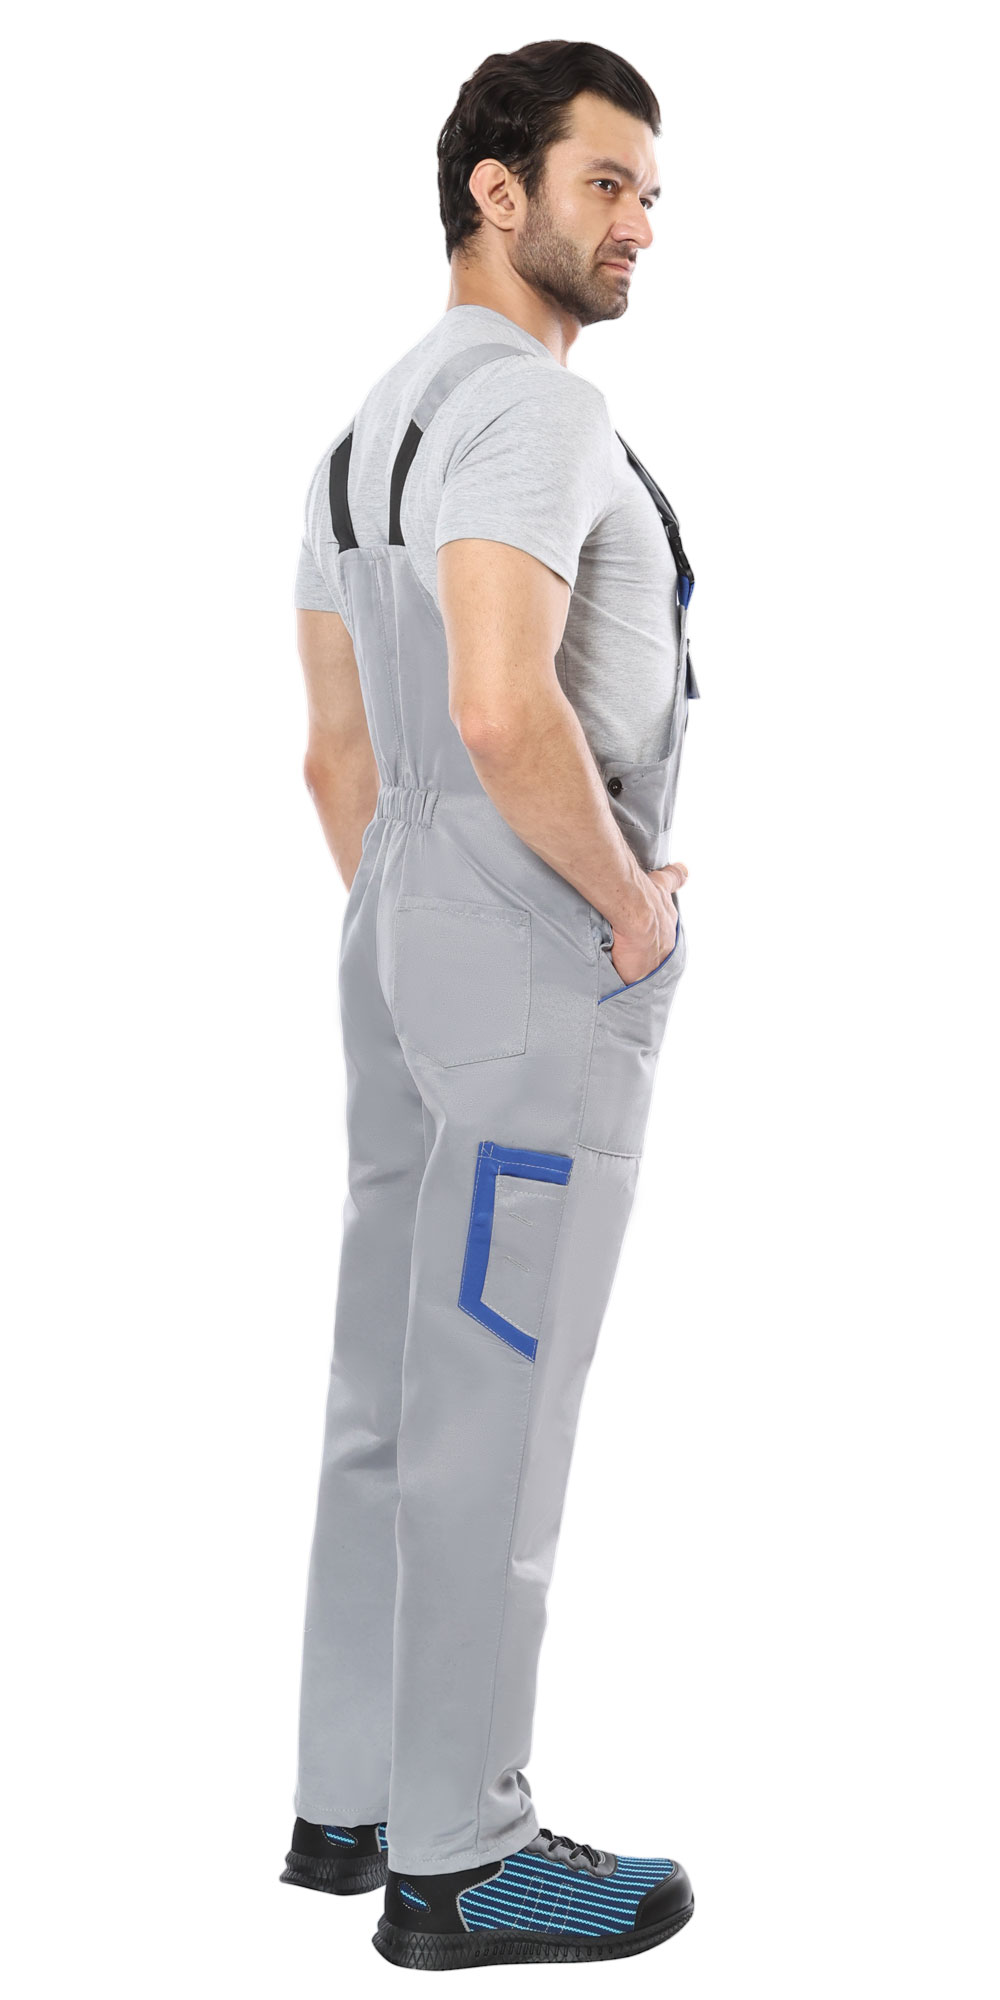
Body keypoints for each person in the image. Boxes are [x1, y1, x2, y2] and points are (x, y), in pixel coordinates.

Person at [282, 39, 700, 1971]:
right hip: (534, 931)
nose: (640, 226)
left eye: (652, 195)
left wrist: (420, 920)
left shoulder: (359, 435)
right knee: (499, 1401)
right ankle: (464, 1855)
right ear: (496, 191)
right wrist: (623, 911)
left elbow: (338, 758)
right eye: (606, 183)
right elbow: (500, 704)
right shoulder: (534, 412)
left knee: (392, 1382)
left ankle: (353, 1800)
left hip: (397, 918)